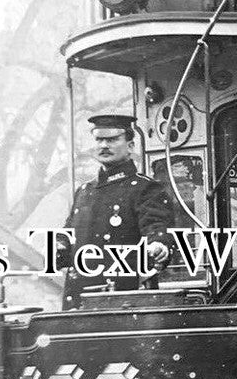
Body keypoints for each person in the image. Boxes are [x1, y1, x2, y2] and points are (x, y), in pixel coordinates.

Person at [57, 114, 175, 309]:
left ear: (130, 145)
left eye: (112, 140)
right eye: (99, 139)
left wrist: (158, 245)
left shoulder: (145, 188)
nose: (104, 145)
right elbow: (69, 233)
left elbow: (157, 226)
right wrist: (58, 247)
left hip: (122, 299)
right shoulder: (85, 191)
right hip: (79, 299)